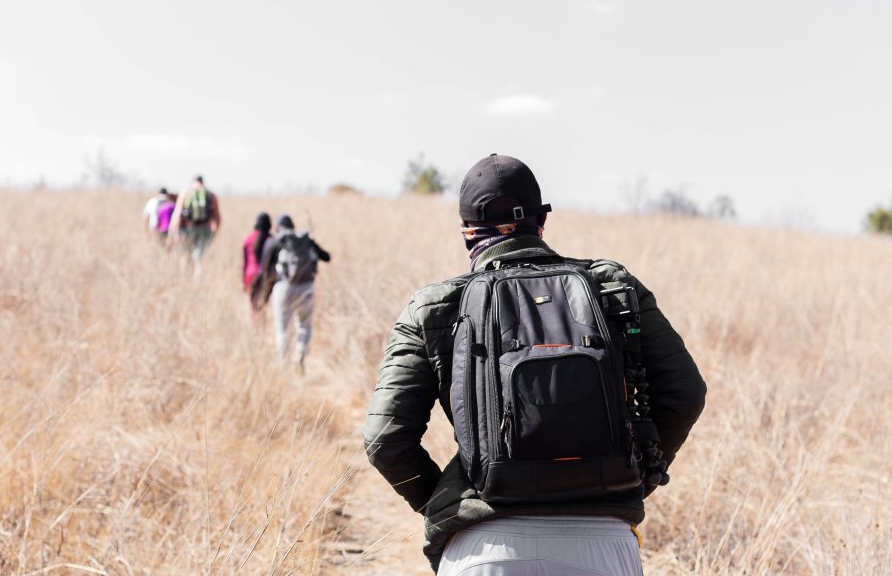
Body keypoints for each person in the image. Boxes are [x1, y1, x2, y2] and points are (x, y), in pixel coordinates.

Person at [362, 154, 706, 575]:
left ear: (466, 231)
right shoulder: (614, 288)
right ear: (542, 222)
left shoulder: (433, 307)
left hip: (482, 549)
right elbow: (686, 393)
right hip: (603, 544)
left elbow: (384, 439)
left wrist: (448, 502)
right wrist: (634, 477)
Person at [259, 214, 330, 372]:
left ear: (278, 227)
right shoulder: (306, 239)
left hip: (283, 288)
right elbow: (326, 257)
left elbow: (264, 269)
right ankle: (300, 358)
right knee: (304, 326)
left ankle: (283, 366)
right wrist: (311, 243)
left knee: (282, 329)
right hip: (307, 288)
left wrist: (264, 294)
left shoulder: (275, 241)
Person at [169, 175, 221, 264]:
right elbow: (217, 217)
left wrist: (172, 232)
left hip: (187, 229)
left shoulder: (186, 192)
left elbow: (177, 214)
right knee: (199, 258)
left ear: (193, 182)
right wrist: (214, 234)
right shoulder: (210, 194)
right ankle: (197, 277)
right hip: (205, 229)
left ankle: (184, 276)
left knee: (185, 255)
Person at [242, 212, 273, 319]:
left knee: (253, 306)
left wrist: (244, 282)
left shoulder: (248, 239)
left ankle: (255, 328)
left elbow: (244, 263)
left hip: (250, 275)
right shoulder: (271, 239)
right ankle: (261, 326)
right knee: (263, 304)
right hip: (266, 276)